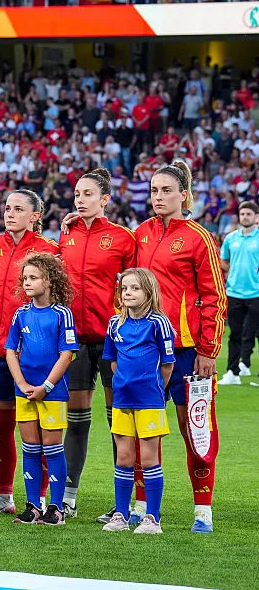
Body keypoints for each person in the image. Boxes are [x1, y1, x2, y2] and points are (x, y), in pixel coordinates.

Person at [135, 161, 226, 533]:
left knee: (196, 430)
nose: (158, 197)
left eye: (166, 191)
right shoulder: (139, 233)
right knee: (144, 429)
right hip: (144, 352)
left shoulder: (198, 237)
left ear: (183, 195)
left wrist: (208, 350)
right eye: (154, 191)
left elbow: (214, 298)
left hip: (188, 352)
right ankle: (141, 506)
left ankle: (202, 510)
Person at [58, 168, 137, 521]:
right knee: (75, 420)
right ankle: (69, 497)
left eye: (88, 194)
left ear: (104, 199)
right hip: (74, 340)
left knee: (117, 421)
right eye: (77, 194)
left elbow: (138, 288)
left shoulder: (122, 238)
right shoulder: (65, 235)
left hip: (112, 340)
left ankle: (128, 502)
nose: (80, 199)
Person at [0, 190, 58, 515]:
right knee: (1, 427)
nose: (10, 213)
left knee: (36, 432)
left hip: (34, 357)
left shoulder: (49, 251)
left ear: (35, 216)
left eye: (19, 209)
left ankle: (38, 499)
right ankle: (3, 497)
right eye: (8, 208)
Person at [5, 253, 77, 526]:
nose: (27, 283)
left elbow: (66, 354)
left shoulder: (62, 314)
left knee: (53, 448)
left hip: (52, 392)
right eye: (24, 278)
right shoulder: (21, 314)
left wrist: (46, 386)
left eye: (33, 278)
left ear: (49, 281)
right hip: (25, 392)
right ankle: (34, 505)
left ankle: (56, 509)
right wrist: (22, 384)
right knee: (30, 448)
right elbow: (11, 351)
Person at [101, 268, 175, 535]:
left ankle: (152, 519)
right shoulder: (114, 324)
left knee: (148, 458)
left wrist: (155, 392)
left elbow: (167, 365)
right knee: (123, 457)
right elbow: (112, 362)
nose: (128, 293)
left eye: (134, 288)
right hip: (122, 399)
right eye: (124, 289)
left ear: (149, 292)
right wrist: (124, 385)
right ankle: (121, 514)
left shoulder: (158, 323)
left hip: (149, 401)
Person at [218, 201, 259, 385]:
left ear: (255, 217)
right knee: (234, 334)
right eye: (242, 214)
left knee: (250, 333)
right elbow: (223, 261)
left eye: (249, 214)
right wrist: (233, 272)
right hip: (234, 291)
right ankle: (232, 373)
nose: (245, 217)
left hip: (256, 292)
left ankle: (246, 364)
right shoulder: (230, 238)